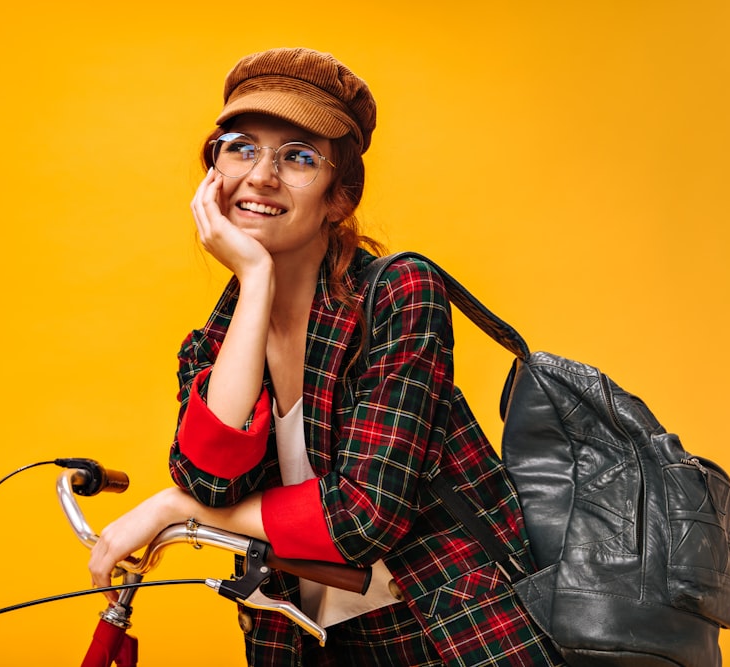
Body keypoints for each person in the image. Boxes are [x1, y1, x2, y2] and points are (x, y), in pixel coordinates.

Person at [88, 47, 563, 666]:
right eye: (240, 147)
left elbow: (364, 518)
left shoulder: (396, 293)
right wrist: (255, 280)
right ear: (213, 173)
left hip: (448, 634)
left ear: (338, 197)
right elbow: (209, 478)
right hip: (302, 642)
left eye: (299, 157)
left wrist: (176, 508)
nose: (261, 175)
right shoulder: (212, 343)